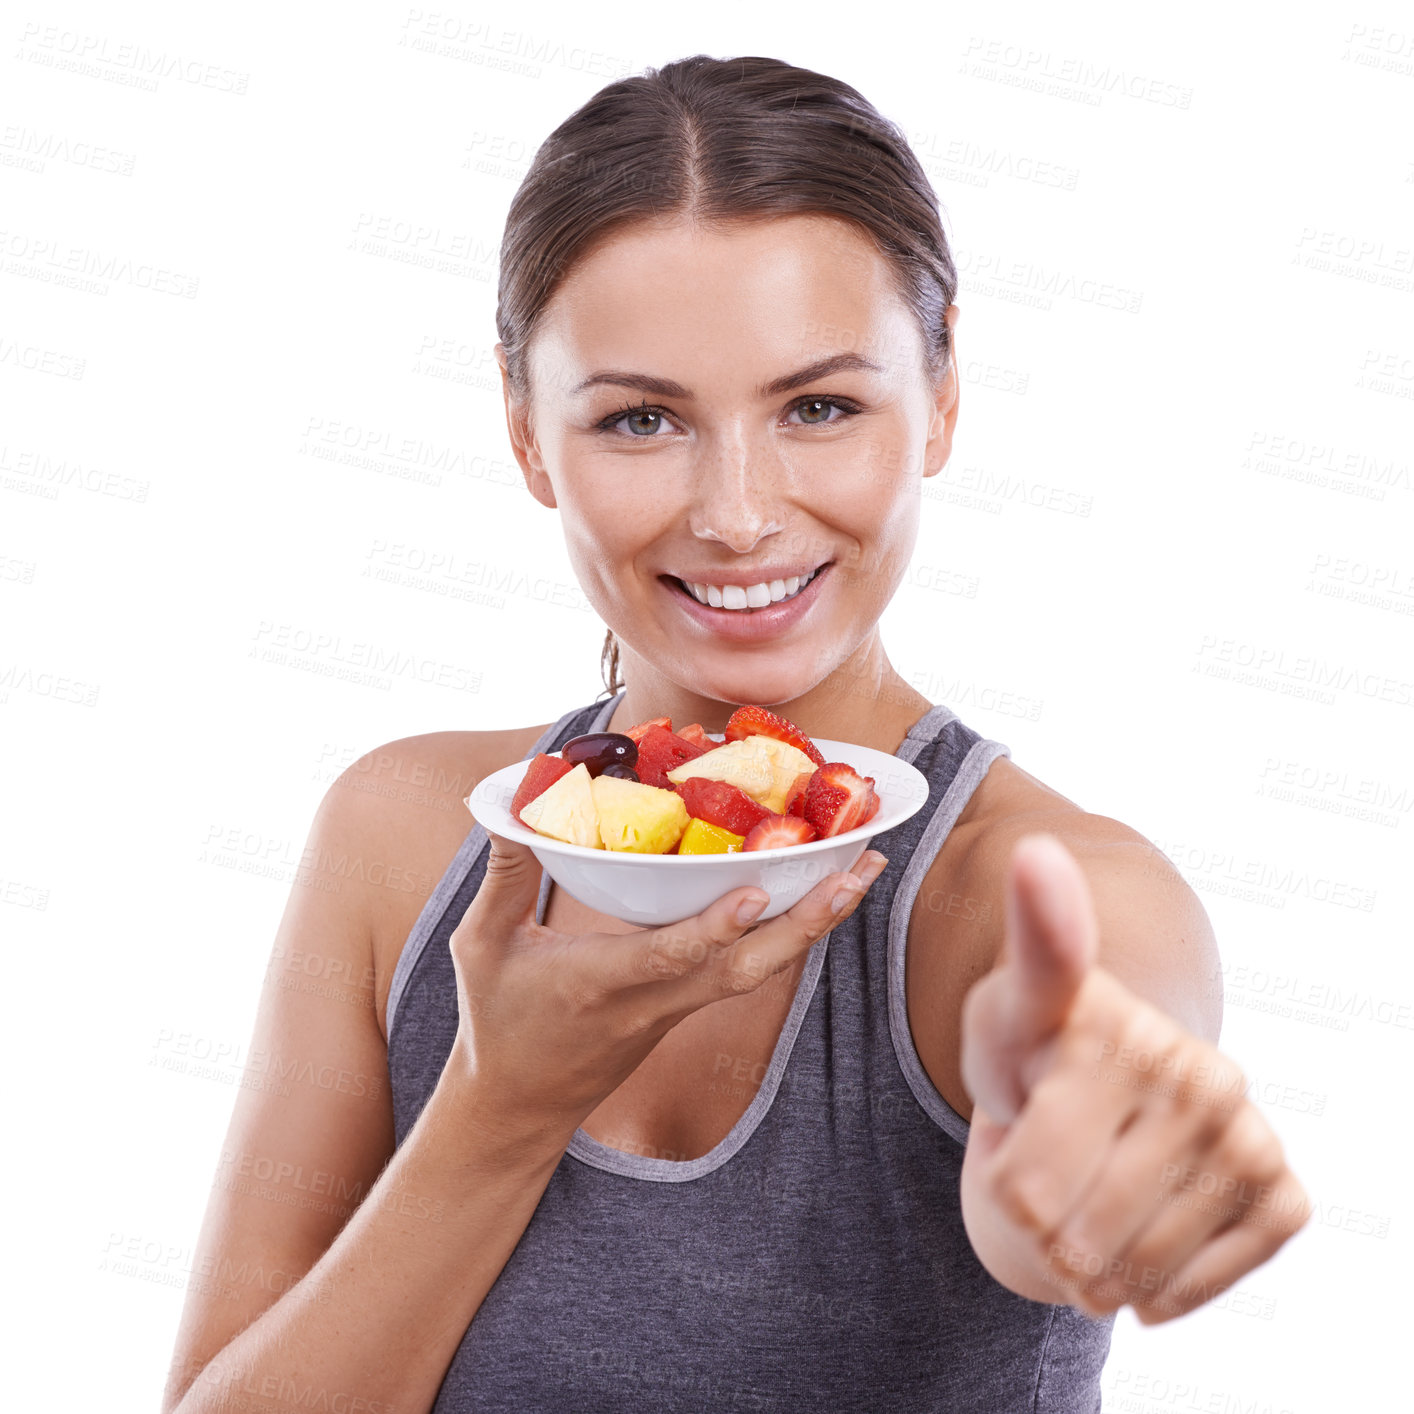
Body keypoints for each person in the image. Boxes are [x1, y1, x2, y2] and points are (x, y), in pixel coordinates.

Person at [162, 53, 1310, 1414]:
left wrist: (1086, 1138)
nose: (739, 515)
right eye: (640, 418)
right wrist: (500, 1107)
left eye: (818, 407)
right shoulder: (400, 832)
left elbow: (1077, 1051)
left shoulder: (1023, 881)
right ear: (527, 430)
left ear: (939, 398)